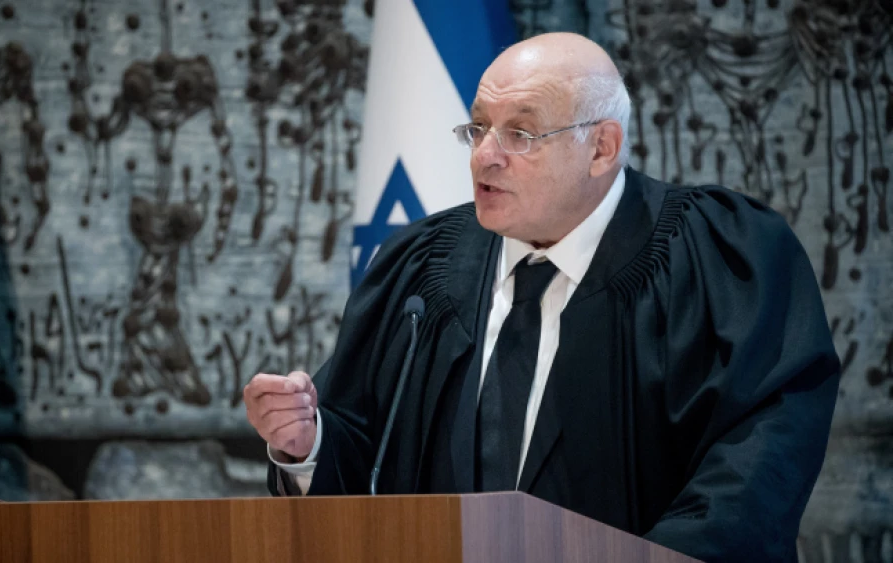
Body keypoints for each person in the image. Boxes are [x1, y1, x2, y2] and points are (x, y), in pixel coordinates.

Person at [243, 32, 839, 562]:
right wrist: (308, 444)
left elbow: (754, 470)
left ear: (602, 148)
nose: (484, 155)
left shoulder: (718, 258)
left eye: (520, 133)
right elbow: (373, 459)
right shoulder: (421, 267)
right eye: (478, 128)